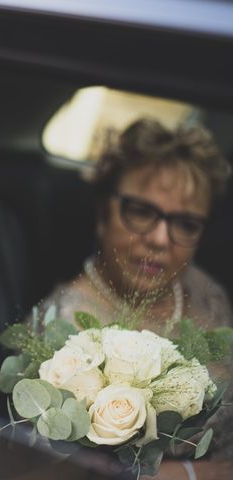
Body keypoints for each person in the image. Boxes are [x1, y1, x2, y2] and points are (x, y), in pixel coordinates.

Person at [37, 118, 233, 478]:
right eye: (141, 211)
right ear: (103, 209)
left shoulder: (207, 293)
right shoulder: (62, 324)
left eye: (186, 224)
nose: (160, 239)